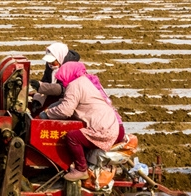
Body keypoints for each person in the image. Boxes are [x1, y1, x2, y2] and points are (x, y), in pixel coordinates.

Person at [32, 46, 124, 181]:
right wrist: (48, 108)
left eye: (62, 78)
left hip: (105, 129)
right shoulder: (83, 81)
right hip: (110, 123)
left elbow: (65, 110)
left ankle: (81, 169)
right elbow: (64, 101)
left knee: (72, 137)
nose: (62, 82)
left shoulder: (74, 85)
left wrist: (45, 115)